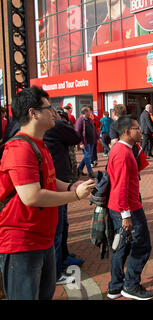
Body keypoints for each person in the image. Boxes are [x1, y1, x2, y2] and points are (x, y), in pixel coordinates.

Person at [0, 86, 95, 300]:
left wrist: (71, 186)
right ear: (33, 113)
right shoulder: (20, 148)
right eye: (48, 108)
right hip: (21, 242)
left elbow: (50, 181)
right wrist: (75, 195)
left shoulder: (39, 144)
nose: (53, 113)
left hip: (43, 239)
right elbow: (31, 196)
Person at [106, 115, 153, 300]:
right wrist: (125, 215)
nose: (140, 130)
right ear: (127, 132)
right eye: (136, 128)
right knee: (141, 246)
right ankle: (131, 286)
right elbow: (121, 186)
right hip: (128, 207)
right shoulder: (123, 153)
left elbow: (131, 174)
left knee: (123, 247)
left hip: (123, 206)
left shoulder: (124, 150)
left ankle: (116, 286)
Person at [43, 108, 84, 284]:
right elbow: (75, 137)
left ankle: (64, 257)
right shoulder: (54, 126)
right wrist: (59, 120)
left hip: (61, 180)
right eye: (49, 109)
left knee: (63, 224)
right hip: (57, 183)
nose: (53, 113)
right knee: (58, 230)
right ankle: (56, 271)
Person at [75, 107, 98, 178]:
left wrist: (98, 137)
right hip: (85, 142)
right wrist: (81, 143)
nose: (90, 113)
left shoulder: (90, 119)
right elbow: (78, 132)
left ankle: (79, 169)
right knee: (88, 157)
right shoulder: (80, 120)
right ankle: (90, 172)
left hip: (91, 141)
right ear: (85, 112)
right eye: (88, 111)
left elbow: (94, 130)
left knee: (87, 157)